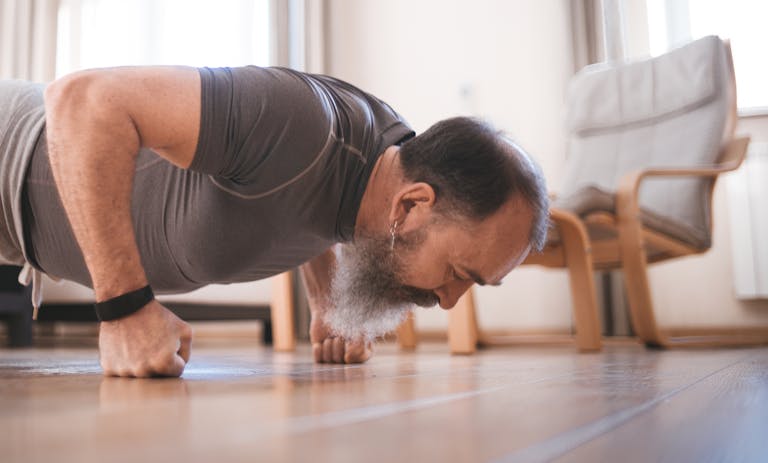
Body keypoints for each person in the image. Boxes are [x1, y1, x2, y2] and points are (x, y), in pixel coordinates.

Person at [0, 65, 549, 377]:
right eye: (459, 272)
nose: (450, 300)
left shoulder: (383, 164)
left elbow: (311, 201)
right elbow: (82, 100)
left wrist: (327, 302)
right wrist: (124, 309)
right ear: (412, 206)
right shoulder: (301, 120)